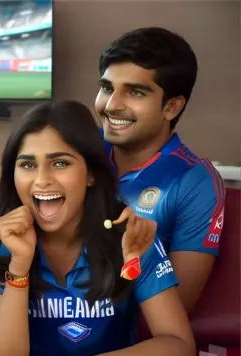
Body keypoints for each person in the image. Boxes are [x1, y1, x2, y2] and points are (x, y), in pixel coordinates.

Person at [0, 100, 198, 356]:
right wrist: (19, 266)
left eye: (60, 163)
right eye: (28, 165)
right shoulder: (2, 241)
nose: (42, 180)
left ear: (90, 174)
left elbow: (179, 344)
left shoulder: (129, 234)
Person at [96, 27, 226, 314]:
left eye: (135, 92)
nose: (112, 106)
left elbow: (177, 310)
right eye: (107, 88)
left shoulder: (195, 180)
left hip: (136, 345)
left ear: (171, 107)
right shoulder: (76, 150)